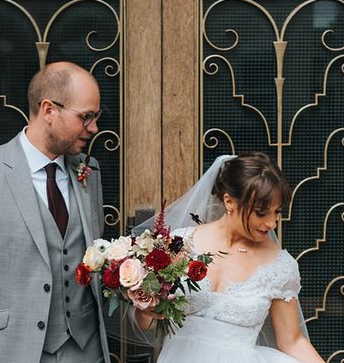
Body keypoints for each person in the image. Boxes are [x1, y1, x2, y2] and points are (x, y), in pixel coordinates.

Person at [0, 61, 110, 363]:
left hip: (85, 351)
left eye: (95, 117)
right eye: (86, 117)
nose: (93, 127)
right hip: (8, 351)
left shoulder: (89, 172)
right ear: (49, 110)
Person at [134, 153, 324, 363]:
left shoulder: (279, 266)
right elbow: (151, 324)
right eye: (262, 213)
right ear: (229, 202)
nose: (272, 223)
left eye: (276, 212)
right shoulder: (179, 244)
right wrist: (144, 310)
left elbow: (292, 341)